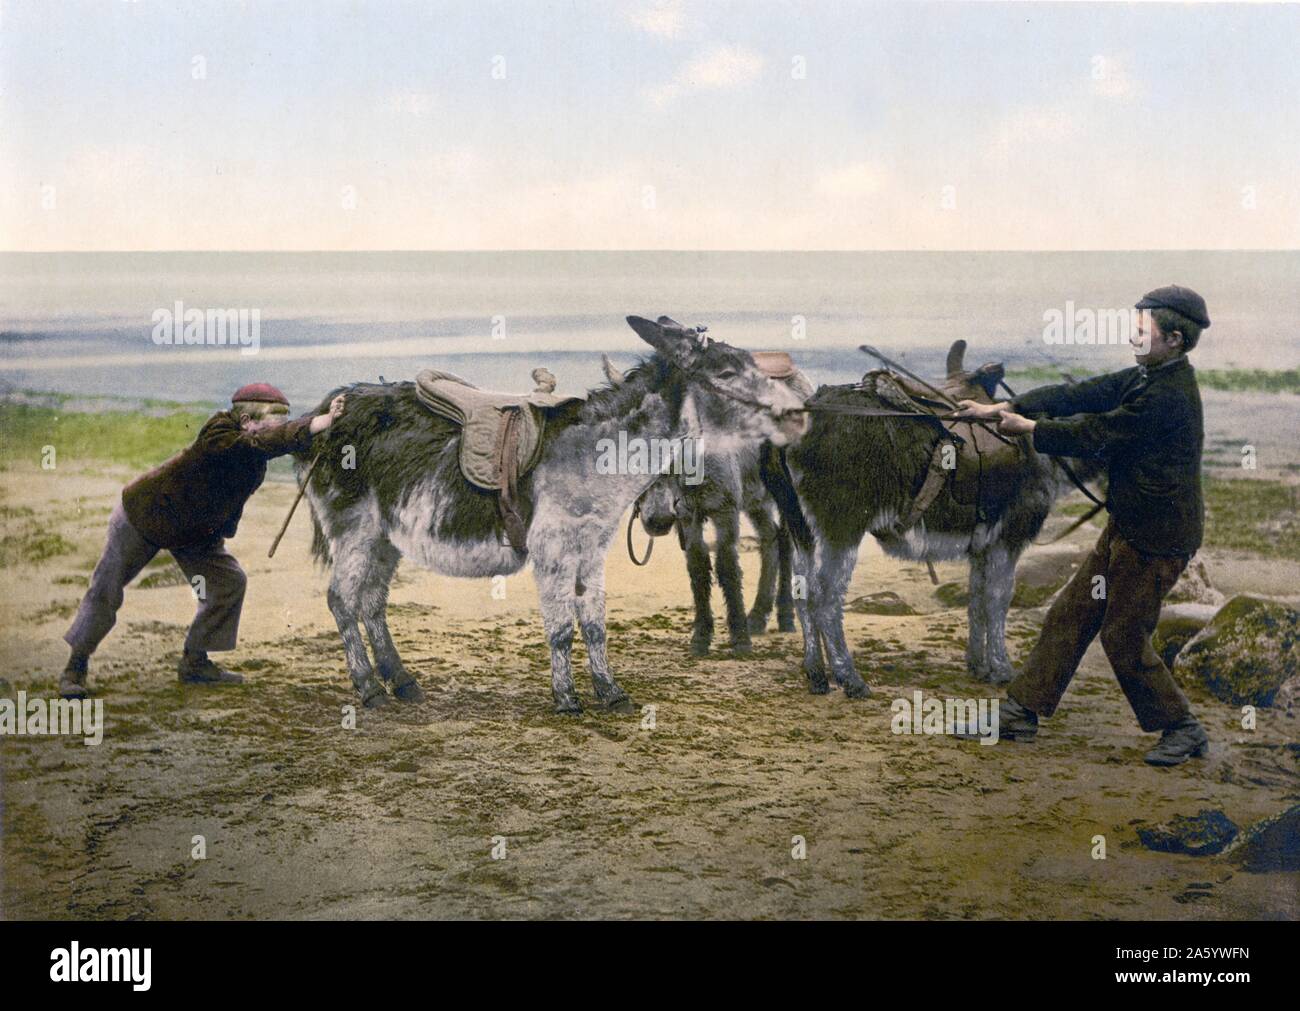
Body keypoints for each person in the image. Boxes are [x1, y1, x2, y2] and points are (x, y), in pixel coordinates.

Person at [955, 285, 1211, 766]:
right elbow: (1080, 395)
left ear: (1174, 339)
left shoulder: (1168, 396)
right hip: (1128, 527)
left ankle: (1183, 728)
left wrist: (1030, 431)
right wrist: (1001, 409)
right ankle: (1019, 713)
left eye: (1143, 329)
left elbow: (1097, 431)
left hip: (1157, 539)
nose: (1134, 336)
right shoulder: (1146, 377)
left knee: (1124, 636)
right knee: (1070, 614)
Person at [59, 383, 345, 698]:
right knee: (106, 588)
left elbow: (286, 438)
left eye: (285, 416)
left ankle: (195, 661)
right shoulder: (219, 433)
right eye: (274, 416)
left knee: (228, 583)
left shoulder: (259, 448)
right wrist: (315, 423)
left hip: (195, 532)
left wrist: (329, 426)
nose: (281, 423)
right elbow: (270, 440)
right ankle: (76, 666)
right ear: (246, 421)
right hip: (146, 513)